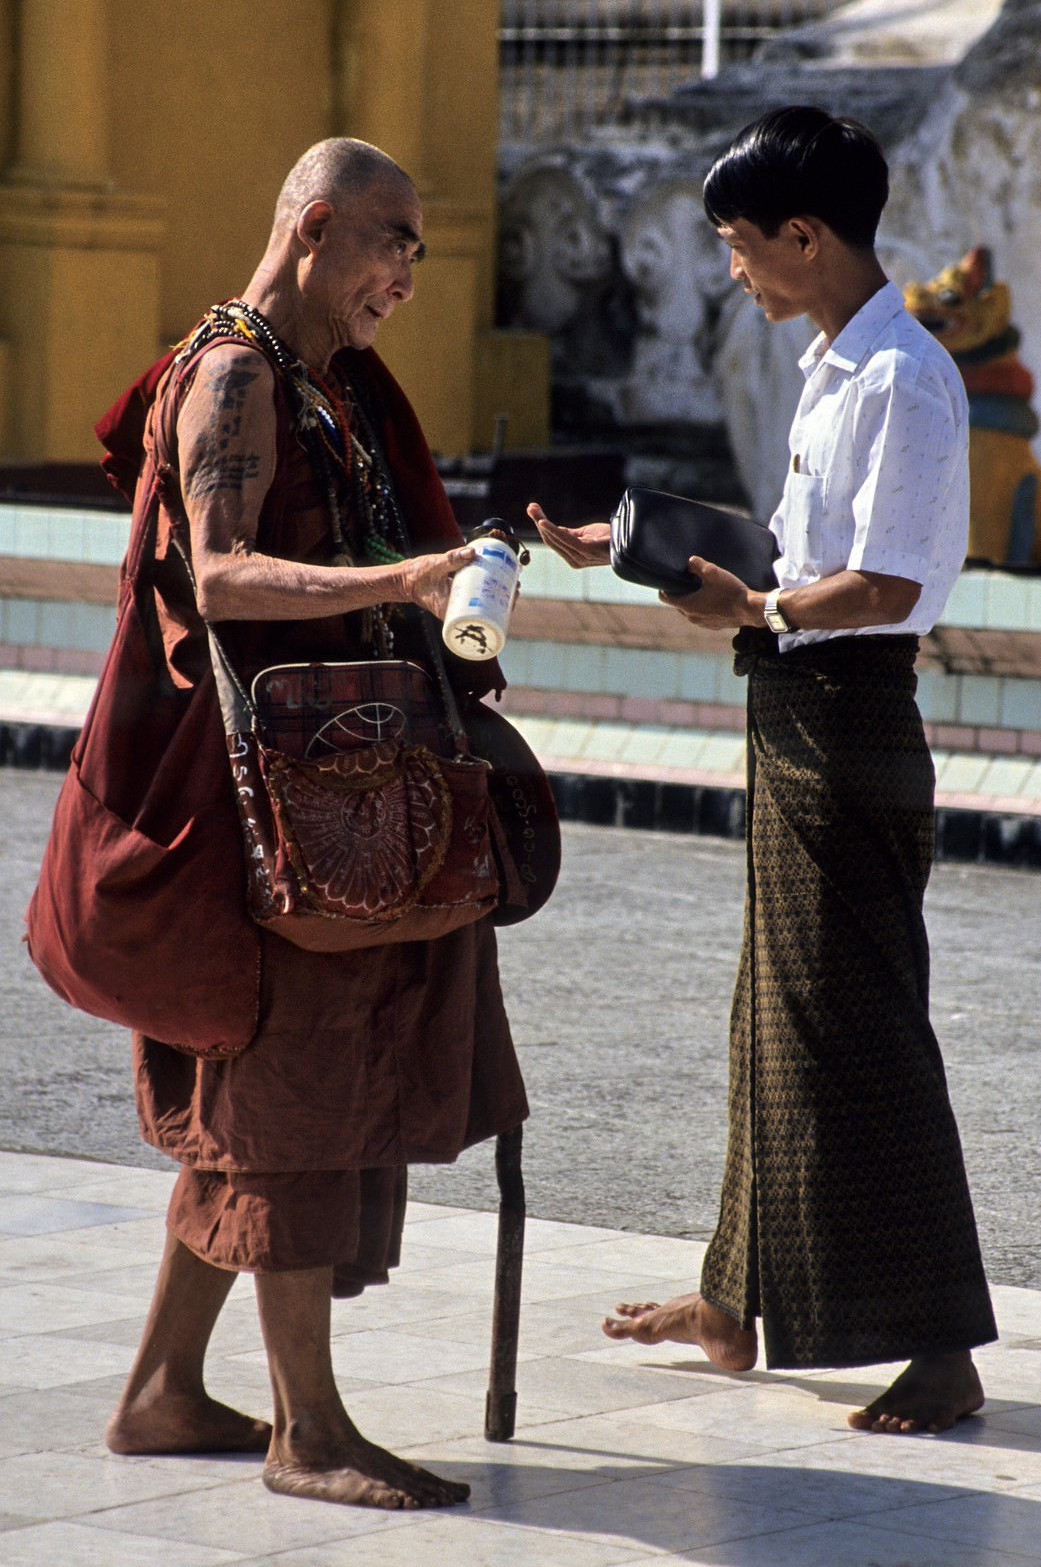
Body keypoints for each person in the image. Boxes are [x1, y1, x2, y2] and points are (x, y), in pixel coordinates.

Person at [530, 106, 997, 1435]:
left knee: (857, 1028)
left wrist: (759, 612)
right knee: (773, 1014)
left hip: (848, 720)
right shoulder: (831, 359)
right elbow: (796, 552)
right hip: (797, 710)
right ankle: (735, 1303)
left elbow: (889, 581)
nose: (731, 268)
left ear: (804, 236)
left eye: (740, 245)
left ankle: (938, 1343)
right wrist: (631, 546)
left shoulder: (900, 374)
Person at [100, 138, 528, 1508]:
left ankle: (164, 1392)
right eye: (394, 241)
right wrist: (405, 572)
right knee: (289, 1097)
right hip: (272, 810)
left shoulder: (318, 384)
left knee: (267, 1104)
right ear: (318, 228)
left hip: (341, 788)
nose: (409, 270)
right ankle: (311, 1432)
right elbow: (219, 577)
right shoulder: (230, 374)